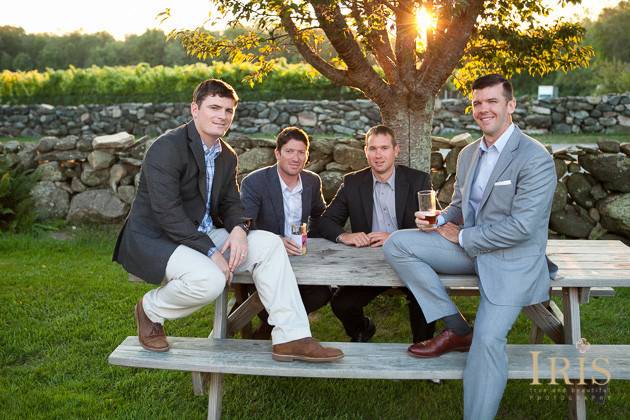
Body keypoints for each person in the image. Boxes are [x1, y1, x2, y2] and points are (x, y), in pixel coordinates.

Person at [112, 79, 343, 363]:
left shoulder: (227, 155)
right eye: (214, 107)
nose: (222, 116)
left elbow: (232, 202)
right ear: (194, 109)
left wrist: (238, 229)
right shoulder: (166, 148)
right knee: (211, 279)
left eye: (228, 110)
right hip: (159, 238)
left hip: (203, 234)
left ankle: (290, 336)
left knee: (270, 244)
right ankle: (150, 309)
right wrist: (211, 252)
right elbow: (167, 212)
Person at [383, 74, 557, 419]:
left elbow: (523, 227)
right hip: (471, 250)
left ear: (511, 106)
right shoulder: (467, 155)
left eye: (492, 102)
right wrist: (438, 219)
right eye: (477, 103)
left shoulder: (535, 158)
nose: (483, 109)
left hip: (511, 260)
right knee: (398, 243)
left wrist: (460, 236)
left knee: (488, 341)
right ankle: (457, 326)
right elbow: (462, 206)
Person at [318, 125, 435, 343]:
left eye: (384, 148)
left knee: (423, 296)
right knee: (342, 303)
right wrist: (346, 236)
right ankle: (362, 329)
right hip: (371, 262)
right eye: (373, 148)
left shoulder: (418, 181)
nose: (378, 155)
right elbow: (326, 221)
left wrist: (394, 238)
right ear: (365, 152)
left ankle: (424, 347)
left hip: (410, 259)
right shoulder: (353, 182)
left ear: (396, 150)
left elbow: (430, 227)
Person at [240, 126, 333, 339]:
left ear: (307, 156)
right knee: (263, 298)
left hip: (300, 256)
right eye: (290, 151)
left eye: (301, 152)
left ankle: (275, 327)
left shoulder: (311, 181)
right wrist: (274, 241)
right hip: (265, 260)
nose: (295, 157)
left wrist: (313, 239)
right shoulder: (255, 182)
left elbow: (321, 214)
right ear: (277, 153)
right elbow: (244, 223)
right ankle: (277, 328)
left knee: (322, 293)